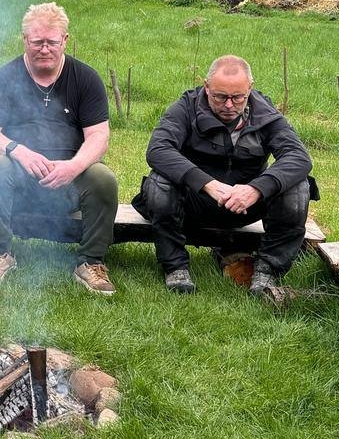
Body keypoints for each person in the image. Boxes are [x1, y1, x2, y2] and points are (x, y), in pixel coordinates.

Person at [133, 54, 315, 296]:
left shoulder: (266, 115)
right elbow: (158, 149)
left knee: (298, 187)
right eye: (220, 97)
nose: (229, 105)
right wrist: (206, 183)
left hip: (246, 206)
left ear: (250, 88)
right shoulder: (185, 108)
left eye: (238, 97)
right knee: (160, 183)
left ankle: (267, 270)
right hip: (194, 203)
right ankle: (175, 267)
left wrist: (256, 189)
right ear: (206, 87)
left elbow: (299, 157)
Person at [0, 1, 118, 293]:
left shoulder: (86, 78)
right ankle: (0, 253)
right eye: (37, 42)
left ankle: (90, 262)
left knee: (103, 177)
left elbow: (99, 136)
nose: (44, 49)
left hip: (69, 181)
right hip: (20, 181)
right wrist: (19, 151)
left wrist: (74, 166)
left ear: (65, 40)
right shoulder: (4, 78)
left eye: (51, 42)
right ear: (24, 39)